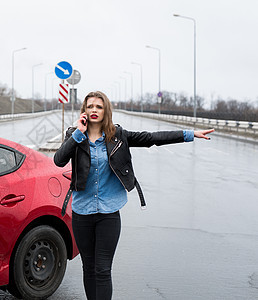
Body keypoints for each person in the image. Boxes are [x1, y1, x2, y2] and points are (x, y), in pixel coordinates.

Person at [53, 91, 214, 300]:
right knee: (88, 268)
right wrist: (78, 133)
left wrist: (189, 134)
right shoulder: (75, 135)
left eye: (99, 107)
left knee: (102, 269)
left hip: (108, 213)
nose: (94, 110)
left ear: (106, 111)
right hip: (82, 212)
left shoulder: (117, 136)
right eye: (90, 106)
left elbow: (151, 138)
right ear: (84, 110)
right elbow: (58, 160)